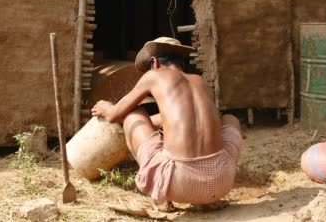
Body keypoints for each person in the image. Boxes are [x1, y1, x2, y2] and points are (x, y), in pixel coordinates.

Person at [91, 37, 242, 205]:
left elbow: (114, 115)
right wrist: (152, 123)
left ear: (154, 62)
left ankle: (162, 199)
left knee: (133, 112)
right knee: (230, 119)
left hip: (178, 184)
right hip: (222, 180)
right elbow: (180, 120)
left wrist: (105, 106)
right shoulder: (200, 82)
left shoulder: (154, 75)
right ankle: (209, 200)